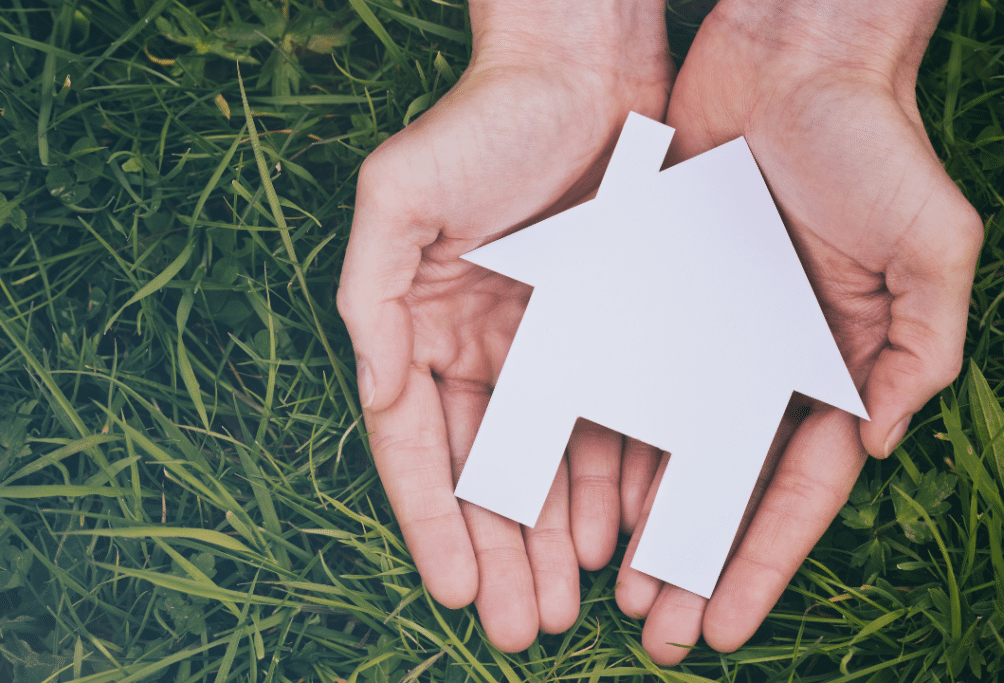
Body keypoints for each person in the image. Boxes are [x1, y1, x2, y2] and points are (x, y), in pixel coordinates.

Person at [336, 0, 983, 666]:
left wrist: (826, 39)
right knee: (557, 422)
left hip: (712, 319)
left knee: (657, 443)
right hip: (672, 303)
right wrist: (562, 37)